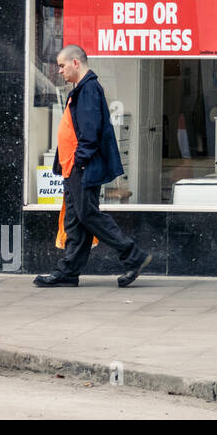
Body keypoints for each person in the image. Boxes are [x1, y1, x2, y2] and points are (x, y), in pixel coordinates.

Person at [34, 45, 153, 288]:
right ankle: (68, 271)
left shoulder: (88, 90)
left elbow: (90, 133)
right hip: (72, 166)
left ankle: (134, 256)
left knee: (88, 214)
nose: (59, 71)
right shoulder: (81, 89)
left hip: (80, 166)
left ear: (75, 63)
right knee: (76, 219)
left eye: (62, 65)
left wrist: (80, 161)